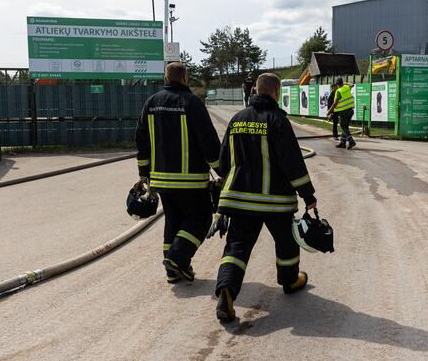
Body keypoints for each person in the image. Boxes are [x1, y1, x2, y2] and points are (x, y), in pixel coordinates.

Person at [214, 72, 317, 321]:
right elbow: (292, 163)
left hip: (239, 200)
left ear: (254, 91)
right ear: (276, 92)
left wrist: (225, 192)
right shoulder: (278, 121)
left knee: (237, 247)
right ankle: (290, 281)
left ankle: (226, 290)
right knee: (286, 243)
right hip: (276, 202)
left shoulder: (237, 119)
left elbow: (224, 160)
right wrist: (308, 195)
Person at [135, 62, 221, 283]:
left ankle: (172, 271)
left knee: (173, 221)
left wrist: (144, 173)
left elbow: (141, 140)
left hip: (160, 180)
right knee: (201, 219)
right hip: (190, 180)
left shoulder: (151, 103)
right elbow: (208, 140)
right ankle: (177, 258)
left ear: (165, 78)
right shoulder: (191, 103)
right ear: (185, 78)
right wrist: (221, 169)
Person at [326, 77, 356, 149]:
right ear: (342, 83)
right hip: (350, 111)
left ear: (336, 84)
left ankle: (351, 141)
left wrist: (328, 112)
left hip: (344, 112)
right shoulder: (346, 87)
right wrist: (344, 83)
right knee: (345, 126)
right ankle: (343, 142)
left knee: (343, 126)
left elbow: (335, 104)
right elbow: (352, 85)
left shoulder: (338, 91)